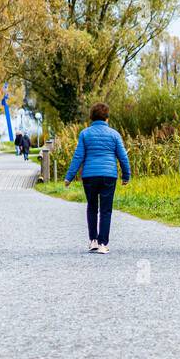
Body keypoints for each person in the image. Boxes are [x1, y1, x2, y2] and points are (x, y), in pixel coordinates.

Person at [63, 103, 131, 254]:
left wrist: (69, 177)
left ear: (91, 117)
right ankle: (102, 244)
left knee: (92, 207)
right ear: (107, 118)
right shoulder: (114, 134)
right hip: (109, 176)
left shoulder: (85, 134)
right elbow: (123, 157)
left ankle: (93, 240)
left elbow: (78, 156)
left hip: (90, 176)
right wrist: (126, 175)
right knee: (106, 210)